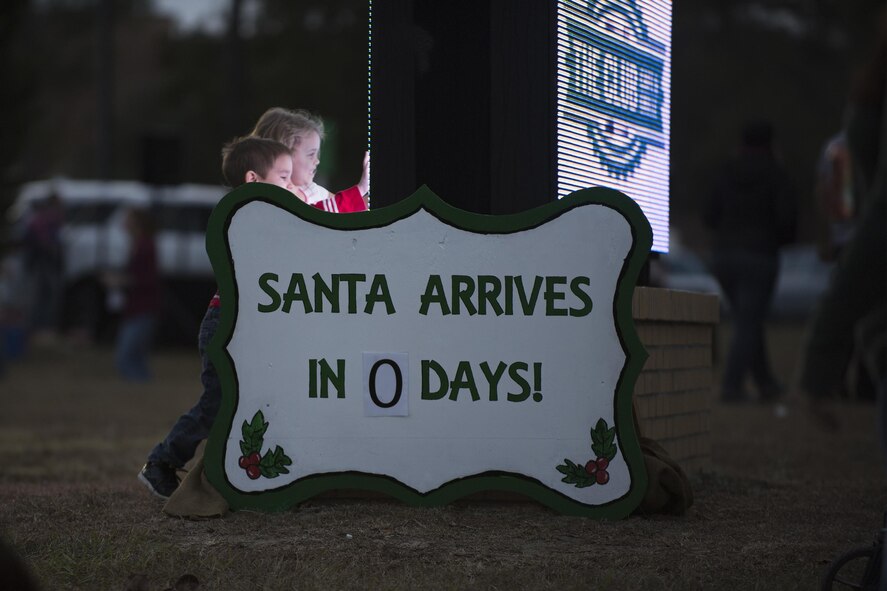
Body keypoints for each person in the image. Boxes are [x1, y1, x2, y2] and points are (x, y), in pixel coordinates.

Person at [138, 136, 297, 497]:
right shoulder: (243, 219)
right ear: (255, 181)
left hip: (241, 323)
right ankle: (162, 461)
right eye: (285, 177)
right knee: (219, 399)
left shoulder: (259, 218)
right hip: (225, 323)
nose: (292, 185)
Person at [703, 120, 797, 403]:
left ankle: (765, 382)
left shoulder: (725, 172)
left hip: (723, 256)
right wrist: (775, 241)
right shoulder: (776, 173)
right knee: (749, 321)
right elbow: (787, 220)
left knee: (748, 320)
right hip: (759, 256)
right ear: (770, 143)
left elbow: (709, 214)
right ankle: (731, 387)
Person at [249, 107, 370, 213]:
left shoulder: (312, 190)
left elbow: (346, 208)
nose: (317, 161)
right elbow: (320, 215)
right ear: (283, 155)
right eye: (311, 154)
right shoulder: (272, 198)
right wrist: (361, 188)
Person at [113, 208, 161, 381]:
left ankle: (141, 387)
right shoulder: (139, 244)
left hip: (142, 307)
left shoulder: (145, 246)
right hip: (138, 307)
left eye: (128, 219)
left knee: (126, 357)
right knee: (135, 357)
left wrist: (120, 281)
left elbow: (147, 278)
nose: (124, 223)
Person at [22, 193, 64, 341]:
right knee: (41, 295)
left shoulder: (44, 218)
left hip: (44, 262)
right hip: (43, 262)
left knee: (43, 295)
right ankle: (37, 326)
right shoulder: (46, 218)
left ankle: (39, 326)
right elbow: (43, 240)